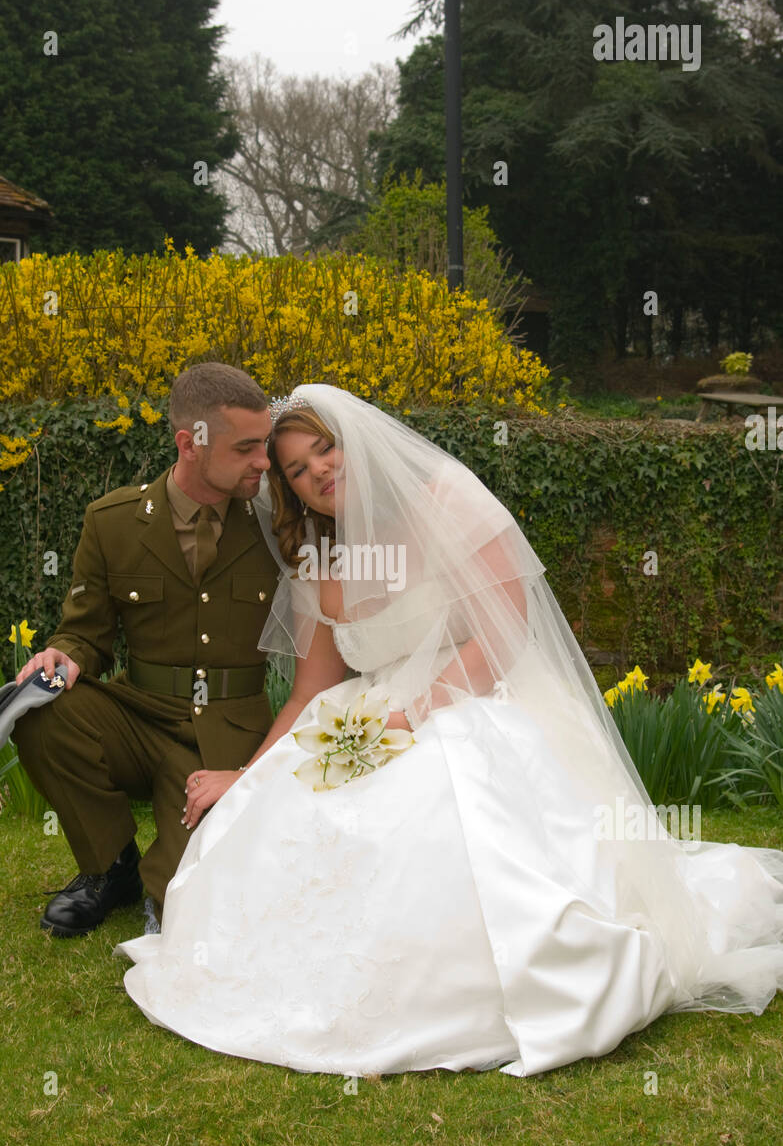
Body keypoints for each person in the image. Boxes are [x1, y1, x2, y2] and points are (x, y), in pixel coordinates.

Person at [115, 383, 783, 1078]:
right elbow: (311, 689)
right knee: (290, 811)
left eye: (326, 447)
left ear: (358, 444)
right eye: (295, 469)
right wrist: (246, 775)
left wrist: (408, 718)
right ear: (289, 490)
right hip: (366, 713)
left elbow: (501, 634)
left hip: (477, 699)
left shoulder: (447, 500)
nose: (318, 470)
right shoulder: (316, 561)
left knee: (433, 813)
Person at [12, 363, 280, 937]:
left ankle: (160, 878)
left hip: (230, 730)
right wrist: (64, 655)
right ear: (191, 443)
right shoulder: (112, 523)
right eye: (248, 448)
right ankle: (110, 869)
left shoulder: (280, 525)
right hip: (141, 717)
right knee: (40, 707)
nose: (265, 461)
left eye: (266, 444)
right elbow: (85, 631)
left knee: (184, 905)